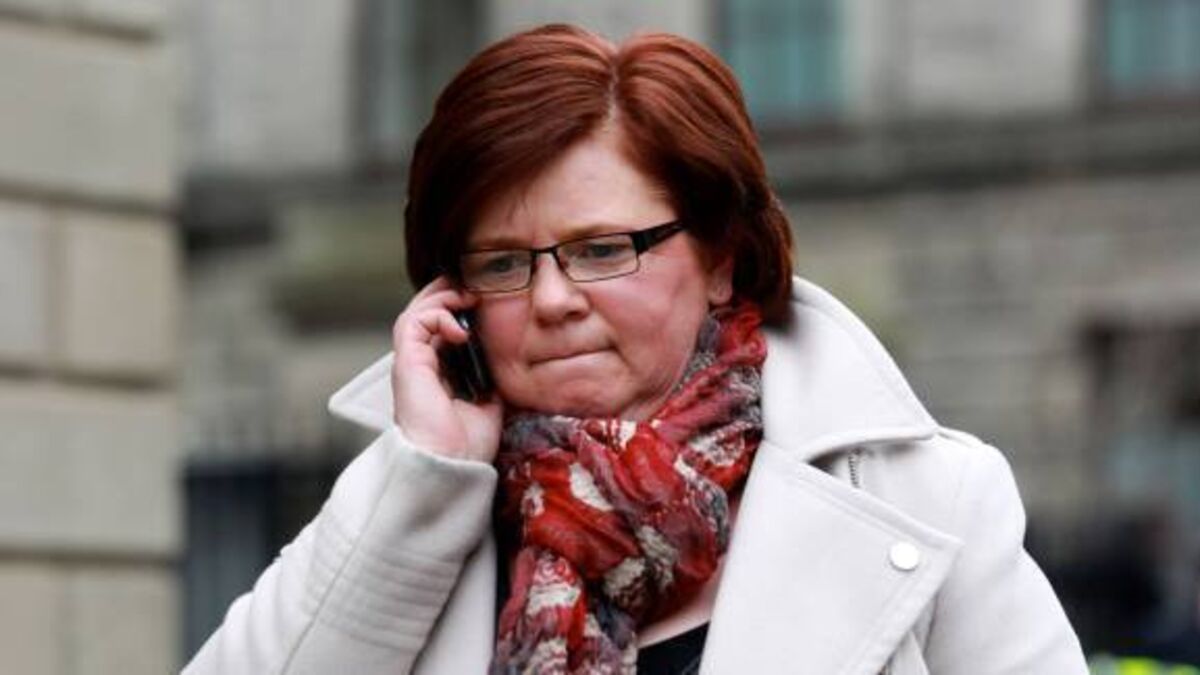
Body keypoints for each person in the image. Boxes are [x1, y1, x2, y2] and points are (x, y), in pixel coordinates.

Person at [184, 24, 1089, 674]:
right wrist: (423, 480)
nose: (550, 299)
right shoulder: (414, 502)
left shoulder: (928, 497)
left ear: (722, 259)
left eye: (602, 249)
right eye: (502, 263)